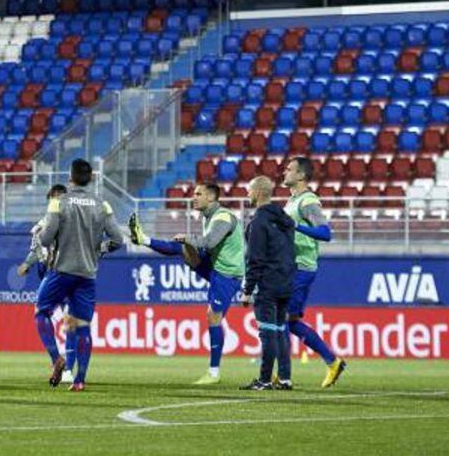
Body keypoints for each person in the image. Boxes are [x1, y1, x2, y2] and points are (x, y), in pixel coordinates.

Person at [129, 182, 244, 385]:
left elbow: (209, 242)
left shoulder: (223, 217)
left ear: (211, 197)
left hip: (228, 275)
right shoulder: (208, 217)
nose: (193, 197)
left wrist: (189, 239)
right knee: (181, 248)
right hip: (216, 269)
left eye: (198, 194)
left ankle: (214, 373)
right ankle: (143, 239)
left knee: (213, 316)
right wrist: (188, 243)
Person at [34, 159, 128, 392]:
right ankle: (79, 380)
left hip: (61, 271)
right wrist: (99, 249)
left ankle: (56, 358)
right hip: (87, 274)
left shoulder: (58, 202)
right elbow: (118, 239)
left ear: (70, 178)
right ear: (92, 178)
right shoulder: (102, 204)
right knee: (83, 326)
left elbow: (46, 239)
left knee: (41, 312)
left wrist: (41, 235)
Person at [282, 157, 347, 388]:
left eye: (289, 169)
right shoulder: (292, 201)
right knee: (289, 321)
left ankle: (282, 376)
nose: (284, 171)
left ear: (301, 176)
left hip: (302, 267)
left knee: (280, 319)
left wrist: (295, 226)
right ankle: (332, 361)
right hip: (292, 266)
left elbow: (325, 233)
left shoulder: (308, 201)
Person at [239, 176, 296, 391]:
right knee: (280, 330)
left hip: (268, 284)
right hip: (286, 282)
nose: (247, 194)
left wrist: (247, 289)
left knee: (268, 332)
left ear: (259, 192)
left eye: (249, 190)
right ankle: (284, 378)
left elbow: (255, 259)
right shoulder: (284, 219)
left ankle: (263, 380)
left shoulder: (259, 222)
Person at [18, 184, 81, 383]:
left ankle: (67, 367)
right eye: (55, 198)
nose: (59, 202)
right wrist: (27, 264)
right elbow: (36, 250)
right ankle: (59, 361)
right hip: (51, 274)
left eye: (62, 197)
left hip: (68, 273)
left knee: (69, 320)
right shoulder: (40, 227)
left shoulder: (76, 225)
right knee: (48, 314)